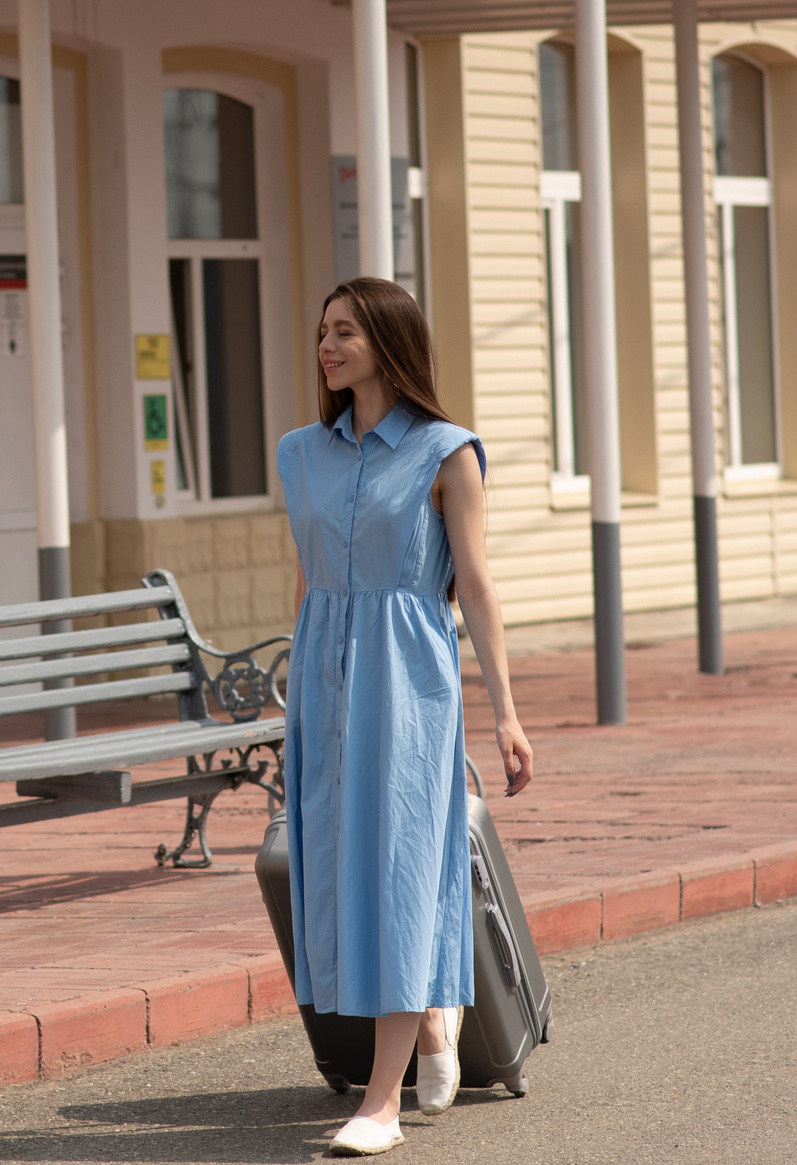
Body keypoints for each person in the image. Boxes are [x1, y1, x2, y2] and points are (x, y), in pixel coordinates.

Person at [279, 277, 533, 1156]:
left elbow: (479, 585)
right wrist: (296, 686)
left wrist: (505, 712)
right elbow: (308, 578)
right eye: (323, 331)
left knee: (396, 867)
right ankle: (433, 1012)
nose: (327, 345)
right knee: (336, 869)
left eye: (345, 330)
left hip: (409, 682)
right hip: (322, 676)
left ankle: (379, 1101)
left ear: (389, 342)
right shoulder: (298, 453)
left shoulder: (445, 451)